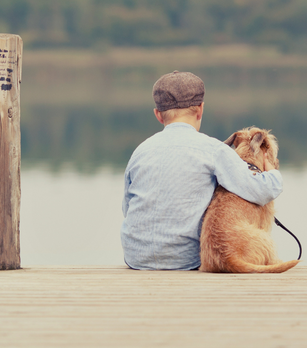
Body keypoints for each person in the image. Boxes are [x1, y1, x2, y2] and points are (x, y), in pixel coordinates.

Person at [121, 71, 284, 270]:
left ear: (157, 115)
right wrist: (271, 173)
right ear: (200, 109)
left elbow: (127, 208)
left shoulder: (140, 151)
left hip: (136, 257)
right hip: (187, 260)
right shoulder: (213, 150)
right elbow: (260, 191)